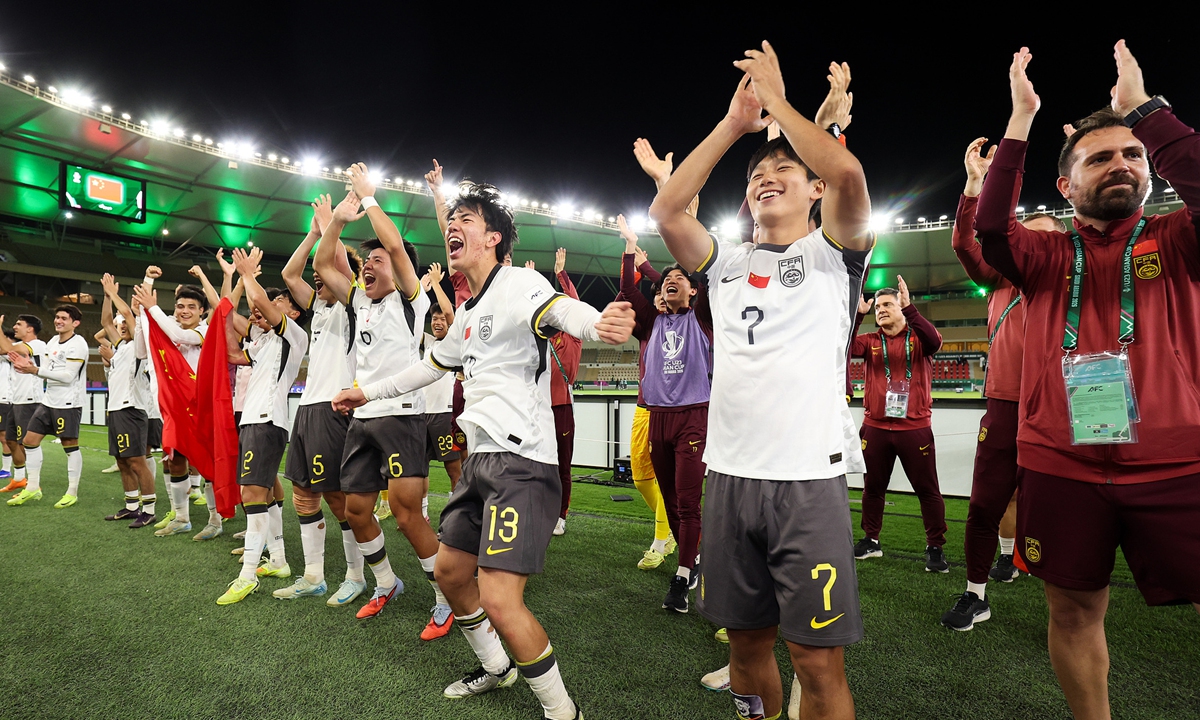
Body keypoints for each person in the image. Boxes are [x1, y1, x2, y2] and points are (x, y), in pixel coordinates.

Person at [332, 181, 634, 720]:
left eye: (466, 220)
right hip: (479, 463)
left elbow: (564, 312)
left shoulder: (519, 283)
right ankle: (497, 666)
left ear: (493, 238)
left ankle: (562, 711)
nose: (453, 226)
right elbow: (428, 367)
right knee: (450, 574)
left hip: (523, 463)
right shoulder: (468, 312)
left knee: (498, 598)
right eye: (451, 220)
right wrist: (366, 392)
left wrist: (598, 323)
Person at [975, 42, 1200, 719]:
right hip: (1061, 464)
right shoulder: (1044, 252)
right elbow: (990, 228)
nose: (1122, 163)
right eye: (1099, 158)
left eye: (1133, 154)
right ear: (1066, 186)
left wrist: (1146, 111)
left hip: (1177, 464)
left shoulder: (1180, 238)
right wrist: (1021, 120)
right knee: (1072, 612)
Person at [650, 44, 869, 720]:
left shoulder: (834, 255)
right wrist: (734, 124)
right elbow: (667, 210)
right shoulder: (725, 264)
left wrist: (780, 103)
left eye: (784, 170)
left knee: (817, 662)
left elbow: (848, 171)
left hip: (807, 482)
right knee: (746, 649)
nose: (766, 178)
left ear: (814, 190)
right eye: (757, 175)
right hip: (730, 479)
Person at [314, 169, 452, 635]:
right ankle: (387, 583)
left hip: (402, 417)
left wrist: (370, 200)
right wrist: (337, 221)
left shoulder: (411, 301)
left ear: (398, 268)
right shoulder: (359, 301)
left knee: (408, 514)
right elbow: (323, 265)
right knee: (355, 511)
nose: (368, 266)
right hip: (361, 419)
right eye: (365, 261)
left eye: (378, 260)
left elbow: (394, 245)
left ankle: (445, 597)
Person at [942, 137, 1066, 631]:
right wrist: (975, 186)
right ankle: (976, 593)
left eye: (1044, 239)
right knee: (985, 504)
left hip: (1061, 407)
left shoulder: (1071, 280)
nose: (1033, 246)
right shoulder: (998, 277)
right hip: (1004, 405)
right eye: (1026, 237)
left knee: (1064, 509)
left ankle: (1068, 602)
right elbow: (964, 244)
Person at [274, 194, 372, 607]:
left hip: (334, 409)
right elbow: (289, 272)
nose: (317, 281)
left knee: (337, 498)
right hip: (308, 409)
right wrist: (314, 233)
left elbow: (331, 266)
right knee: (302, 492)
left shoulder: (355, 306)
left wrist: (335, 226)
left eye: (324, 274)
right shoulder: (319, 308)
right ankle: (313, 575)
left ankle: (355, 576)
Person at [618, 214, 713, 612]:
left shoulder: (703, 318)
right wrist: (629, 247)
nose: (671, 280)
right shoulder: (651, 323)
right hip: (658, 418)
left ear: (693, 290)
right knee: (671, 501)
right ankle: (693, 558)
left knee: (689, 503)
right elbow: (628, 289)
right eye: (666, 278)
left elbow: (701, 271)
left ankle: (682, 575)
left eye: (680, 277)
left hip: (693, 417)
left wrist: (685, 224)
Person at [217, 247, 310, 605]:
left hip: (267, 421)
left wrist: (246, 275)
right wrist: (234, 292)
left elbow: (259, 303)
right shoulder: (265, 341)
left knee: (251, 494)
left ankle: (247, 577)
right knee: (265, 493)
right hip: (254, 421)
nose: (270, 305)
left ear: (294, 312)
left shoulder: (294, 335)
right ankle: (280, 561)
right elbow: (232, 350)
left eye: (279, 302)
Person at [850, 278, 948, 572]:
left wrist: (910, 308)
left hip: (914, 428)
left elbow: (936, 342)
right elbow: (843, 348)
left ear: (901, 307)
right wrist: (858, 316)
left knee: (927, 490)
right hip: (875, 427)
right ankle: (871, 540)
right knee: (872, 488)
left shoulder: (919, 338)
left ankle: (935, 547)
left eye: (887, 305)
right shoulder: (870, 340)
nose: (880, 310)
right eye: (877, 307)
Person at [134, 271, 214, 537]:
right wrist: (142, 316)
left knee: (207, 463)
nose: (184, 311)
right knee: (175, 461)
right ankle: (181, 518)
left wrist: (151, 308)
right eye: (180, 306)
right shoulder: (166, 327)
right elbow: (141, 351)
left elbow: (181, 337)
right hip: (172, 408)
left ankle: (215, 521)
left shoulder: (204, 331)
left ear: (202, 311)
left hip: (200, 406)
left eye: (191, 306)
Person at [6, 305, 88, 508]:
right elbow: (44, 371)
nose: (58, 321)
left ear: (75, 323)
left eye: (64, 318)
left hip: (68, 402)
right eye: (57, 317)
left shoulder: (78, 344)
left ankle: (72, 492)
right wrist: (30, 368)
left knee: (70, 446)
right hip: (48, 400)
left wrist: (34, 370)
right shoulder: (52, 342)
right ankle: (33, 487)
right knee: (29, 440)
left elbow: (68, 377)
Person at [97, 274, 156, 526]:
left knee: (137, 461)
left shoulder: (140, 345)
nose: (121, 326)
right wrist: (105, 296)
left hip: (131, 409)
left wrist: (113, 293)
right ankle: (131, 506)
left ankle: (149, 510)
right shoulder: (121, 347)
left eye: (125, 324)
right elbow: (105, 321)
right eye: (120, 325)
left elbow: (128, 315)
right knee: (122, 461)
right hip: (116, 410)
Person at [543, 249, 582, 537]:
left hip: (562, 408)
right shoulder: (541, 339)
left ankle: (561, 515)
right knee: (539, 463)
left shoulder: (572, 337)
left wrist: (561, 274)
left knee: (562, 467)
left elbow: (575, 305)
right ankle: (542, 509)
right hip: (539, 407)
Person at [421, 261, 463, 494]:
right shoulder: (427, 342)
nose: (438, 322)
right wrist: (420, 291)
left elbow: (450, 313)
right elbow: (409, 324)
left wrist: (437, 285)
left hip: (444, 415)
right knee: (419, 468)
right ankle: (422, 510)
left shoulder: (453, 343)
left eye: (441, 319)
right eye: (434, 318)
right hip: (421, 414)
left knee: (453, 469)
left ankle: (456, 512)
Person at [0, 315, 44, 498]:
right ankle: (19, 479)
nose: (15, 327)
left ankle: (34, 485)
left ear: (30, 329)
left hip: (29, 401)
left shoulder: (37, 345)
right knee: (11, 441)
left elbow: (7, 348)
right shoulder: (19, 347)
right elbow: (5, 349)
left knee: (26, 444)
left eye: (19, 324)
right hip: (16, 400)